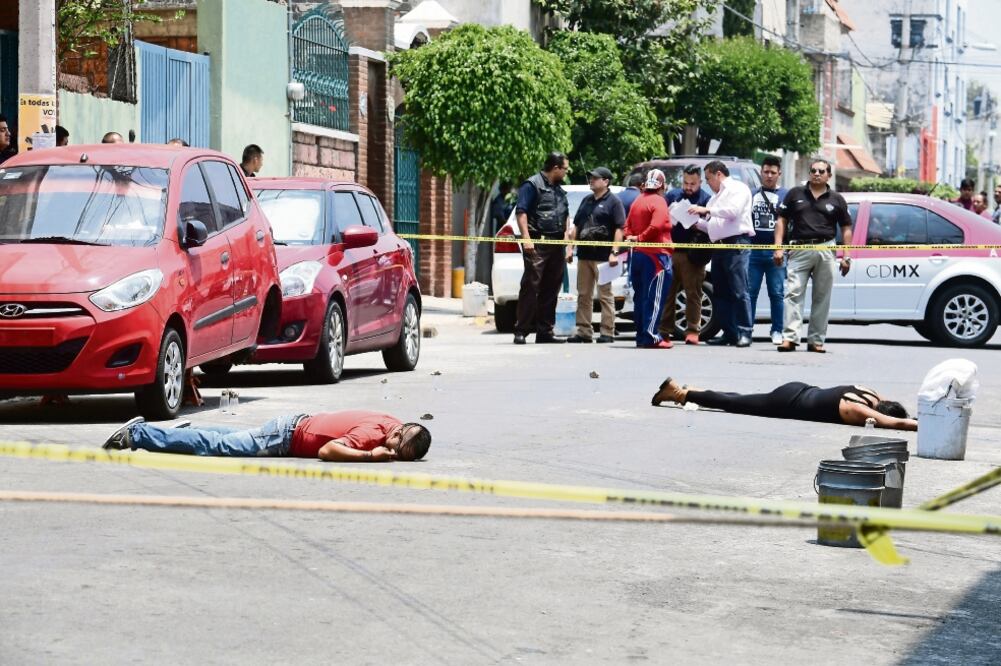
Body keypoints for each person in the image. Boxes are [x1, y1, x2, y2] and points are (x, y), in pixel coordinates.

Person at [103, 411, 432, 462]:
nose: (393, 455)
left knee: (228, 437)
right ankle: (139, 434)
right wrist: (369, 457)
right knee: (219, 447)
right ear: (397, 433)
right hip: (287, 436)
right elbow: (328, 451)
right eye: (397, 451)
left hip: (290, 424)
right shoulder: (371, 436)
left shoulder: (391, 422)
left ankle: (176, 434)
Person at [773, 158, 853, 353]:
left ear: (829, 176)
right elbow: (781, 220)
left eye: (821, 171)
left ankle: (816, 340)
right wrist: (778, 247)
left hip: (825, 249)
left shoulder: (837, 199)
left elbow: (846, 227)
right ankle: (790, 338)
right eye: (814, 171)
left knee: (822, 296)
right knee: (793, 292)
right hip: (799, 249)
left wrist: (846, 255)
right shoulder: (795, 194)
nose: (817, 174)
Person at [650, 377, 917, 430]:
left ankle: (694, 390)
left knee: (740, 399)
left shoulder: (869, 393)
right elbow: (895, 422)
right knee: (736, 404)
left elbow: (893, 413)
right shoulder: (856, 410)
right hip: (787, 403)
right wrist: (921, 426)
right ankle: (678, 393)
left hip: (800, 388)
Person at [689, 160, 754, 348]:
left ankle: (745, 331)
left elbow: (732, 212)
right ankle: (729, 332)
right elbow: (713, 225)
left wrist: (707, 209)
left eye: (708, 179)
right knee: (721, 291)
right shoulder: (715, 197)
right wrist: (695, 222)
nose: (708, 183)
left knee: (739, 290)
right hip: (718, 245)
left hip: (736, 244)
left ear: (719, 174)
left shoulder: (738, 189)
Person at [513, 151, 571, 345]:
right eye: (565, 169)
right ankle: (521, 330)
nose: (566, 172)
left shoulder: (559, 190)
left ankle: (545, 331)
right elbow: (521, 212)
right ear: (555, 168)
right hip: (537, 243)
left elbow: (565, 216)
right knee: (530, 286)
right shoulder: (532, 185)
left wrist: (567, 243)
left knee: (551, 288)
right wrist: (526, 238)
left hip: (556, 245)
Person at [565, 166, 625, 344]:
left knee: (605, 295)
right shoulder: (586, 200)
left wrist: (615, 252)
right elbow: (575, 227)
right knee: (583, 294)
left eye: (595, 178)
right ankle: (584, 331)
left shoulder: (614, 202)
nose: (591, 180)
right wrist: (570, 247)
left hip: (603, 257)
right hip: (584, 255)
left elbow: (619, 229)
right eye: (590, 177)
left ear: (606, 181)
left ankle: (607, 332)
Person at [660, 165, 711, 345]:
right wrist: (669, 215)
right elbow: (660, 219)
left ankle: (692, 330)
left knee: (693, 292)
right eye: (685, 183)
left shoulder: (706, 199)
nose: (688, 187)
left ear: (700, 182)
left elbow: (712, 226)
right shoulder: (673, 196)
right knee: (667, 292)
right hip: (672, 250)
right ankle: (664, 330)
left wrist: (698, 218)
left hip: (694, 253)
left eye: (693, 184)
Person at [624, 168, 673, 349]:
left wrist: (634, 238)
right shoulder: (659, 201)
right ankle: (652, 336)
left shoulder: (638, 200)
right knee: (654, 298)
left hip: (637, 255)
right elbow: (657, 225)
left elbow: (627, 225)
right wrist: (641, 238)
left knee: (641, 297)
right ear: (662, 185)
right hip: (656, 256)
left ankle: (642, 336)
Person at [749, 156, 788, 345]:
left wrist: (783, 248)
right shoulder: (751, 194)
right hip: (753, 252)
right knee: (750, 292)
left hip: (777, 253)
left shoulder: (786, 196)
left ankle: (777, 330)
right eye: (766, 172)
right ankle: (747, 329)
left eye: (773, 172)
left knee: (777, 293)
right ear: (761, 173)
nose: (769, 176)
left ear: (779, 174)